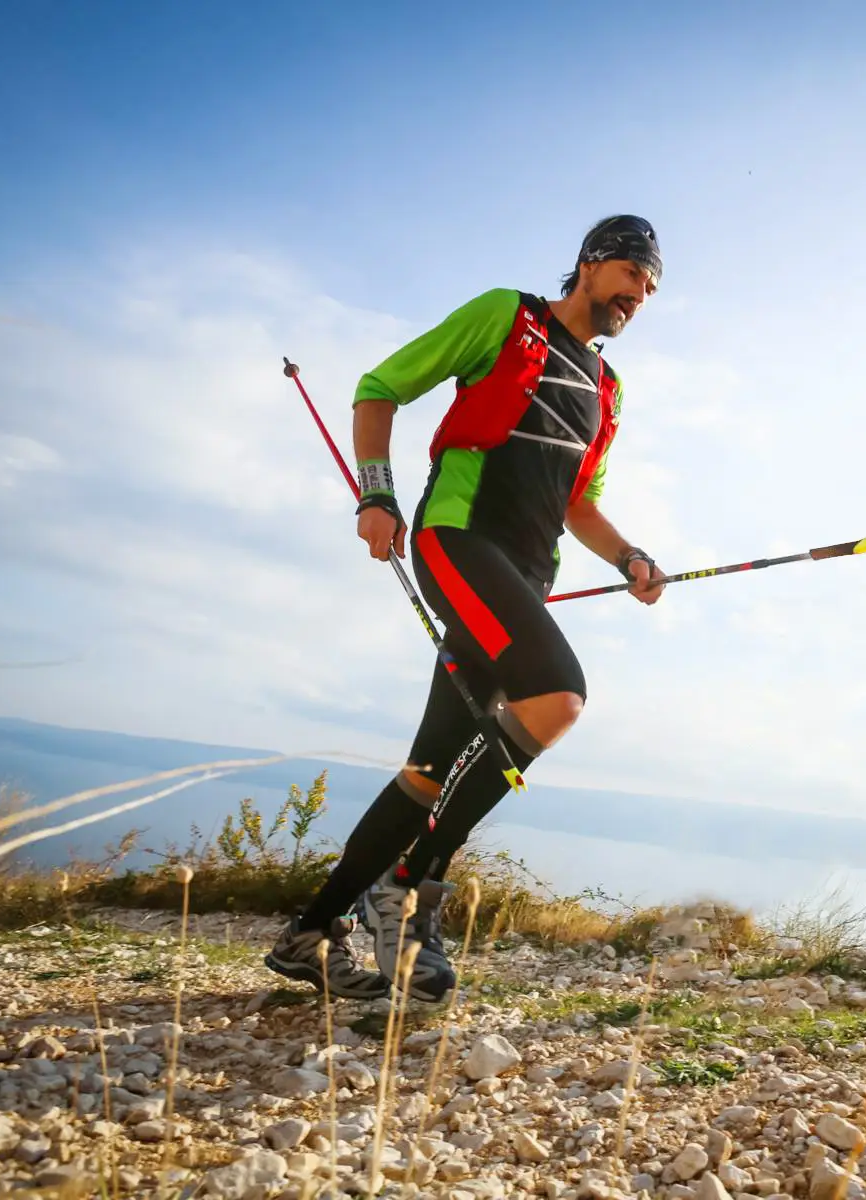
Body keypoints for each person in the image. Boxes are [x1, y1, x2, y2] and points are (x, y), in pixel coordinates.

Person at [265, 215, 668, 1000]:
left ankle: (309, 934)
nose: (637, 295)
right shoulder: (505, 317)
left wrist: (629, 558)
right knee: (556, 696)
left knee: (430, 769)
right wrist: (375, 495)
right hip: (458, 540)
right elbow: (380, 387)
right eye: (630, 274)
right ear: (590, 263)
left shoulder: (607, 389)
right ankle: (410, 888)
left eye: (650, 289)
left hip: (525, 574)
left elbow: (581, 503)